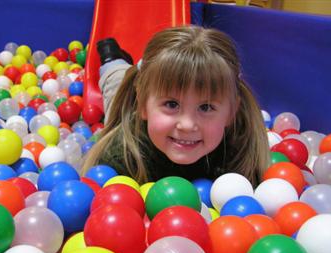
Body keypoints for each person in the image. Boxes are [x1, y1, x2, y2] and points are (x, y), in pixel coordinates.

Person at [81, 25, 269, 186]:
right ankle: (112, 59)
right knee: (116, 85)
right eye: (171, 104)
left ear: (231, 112)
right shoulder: (120, 156)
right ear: (143, 104)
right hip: (135, 120)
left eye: (206, 107)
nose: (187, 125)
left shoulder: (242, 149)